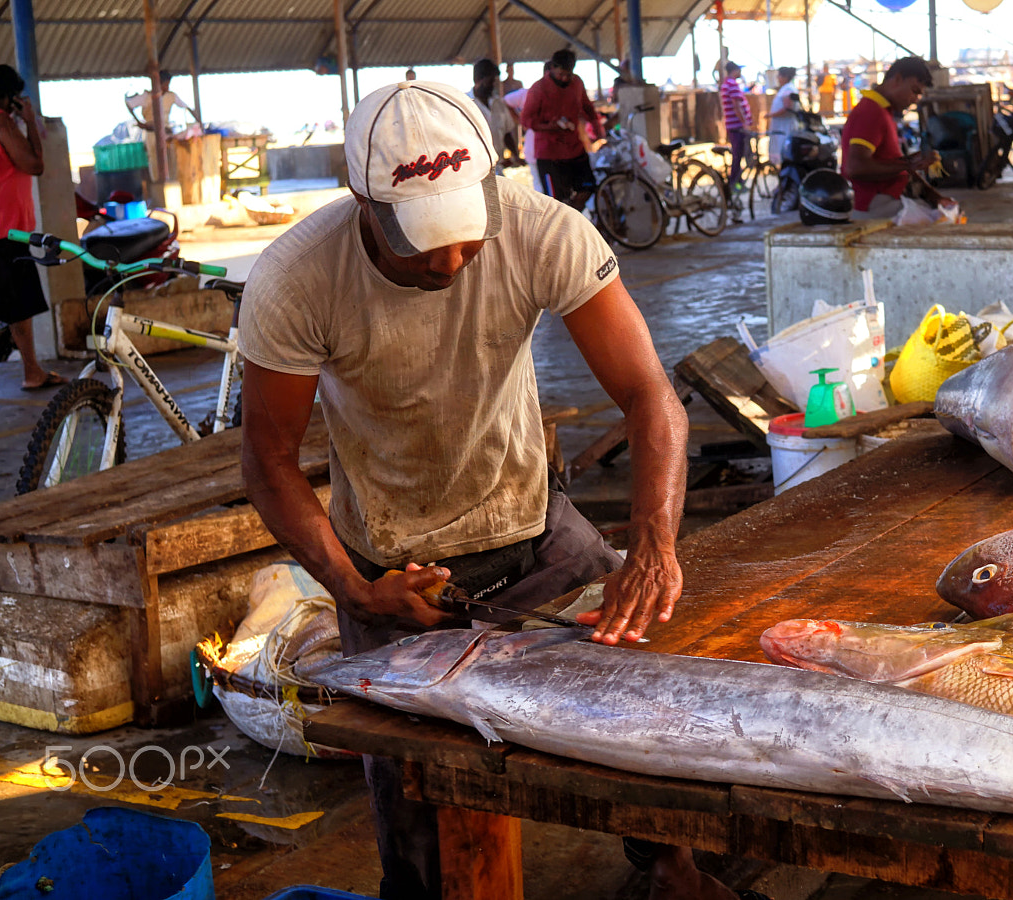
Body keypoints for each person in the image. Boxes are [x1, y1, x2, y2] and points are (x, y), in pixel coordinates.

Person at [237, 80, 759, 900]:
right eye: (422, 244)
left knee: (647, 713)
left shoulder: (542, 227)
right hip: (393, 565)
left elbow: (651, 398)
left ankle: (668, 868)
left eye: (463, 238)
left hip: (535, 527)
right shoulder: (295, 280)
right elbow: (266, 465)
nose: (448, 261)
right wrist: (356, 589)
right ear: (362, 199)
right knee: (419, 824)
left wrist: (653, 545)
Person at [0, 64, 61, 391]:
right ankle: (31, 372)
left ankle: (33, 370)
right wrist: (28, 121)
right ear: (9, 97)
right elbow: (33, 164)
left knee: (3, 308)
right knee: (18, 306)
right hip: (5, 229)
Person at [840, 56, 949, 220]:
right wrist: (908, 164)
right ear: (897, 79)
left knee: (943, 215)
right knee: (940, 228)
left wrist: (935, 198)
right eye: (914, 91)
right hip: (873, 203)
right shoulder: (871, 111)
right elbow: (855, 167)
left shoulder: (883, 111)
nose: (915, 100)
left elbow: (893, 162)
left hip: (886, 199)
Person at [522, 49, 604, 210]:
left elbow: (587, 107)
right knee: (555, 202)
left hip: (575, 149)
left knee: (587, 187)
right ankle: (563, 222)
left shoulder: (577, 83)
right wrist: (549, 126)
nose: (565, 78)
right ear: (552, 68)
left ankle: (573, 215)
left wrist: (596, 126)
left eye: (568, 75)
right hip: (549, 154)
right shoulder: (538, 89)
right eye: (561, 74)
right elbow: (526, 120)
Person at [470, 58, 519, 169]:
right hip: (477, 168)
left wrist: (515, 155)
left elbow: (506, 133)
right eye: (490, 81)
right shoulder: (466, 104)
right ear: (477, 80)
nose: (493, 85)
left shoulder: (499, 104)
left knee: (500, 186)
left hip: (498, 165)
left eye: (494, 82)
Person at [719, 61, 753, 192]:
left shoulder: (727, 84)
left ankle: (738, 182)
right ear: (735, 70)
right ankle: (734, 183)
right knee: (738, 155)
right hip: (737, 127)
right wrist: (744, 122)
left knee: (739, 155)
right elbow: (736, 106)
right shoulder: (731, 84)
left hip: (734, 126)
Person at [768, 66, 799, 163]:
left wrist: (772, 115)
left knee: (784, 153)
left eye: (779, 76)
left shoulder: (788, 89)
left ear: (784, 77)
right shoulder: (786, 88)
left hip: (784, 127)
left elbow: (787, 108)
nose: (778, 78)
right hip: (782, 127)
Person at [503, 77, 527, 166]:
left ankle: (517, 155)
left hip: (517, 114)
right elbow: (504, 100)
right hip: (510, 116)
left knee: (517, 135)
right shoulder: (503, 84)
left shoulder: (518, 83)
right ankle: (514, 156)